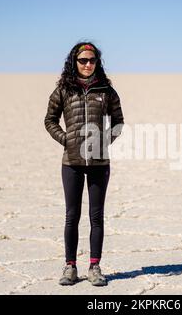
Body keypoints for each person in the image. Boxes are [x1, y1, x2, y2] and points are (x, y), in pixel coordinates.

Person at [44, 42, 124, 286]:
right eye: (83, 60)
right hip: (72, 162)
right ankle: (70, 267)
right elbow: (50, 120)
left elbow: (119, 121)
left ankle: (94, 267)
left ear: (97, 62)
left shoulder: (106, 90)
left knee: (96, 216)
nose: (88, 64)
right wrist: (65, 139)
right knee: (72, 215)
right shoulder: (63, 90)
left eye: (92, 60)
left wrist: (104, 141)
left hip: (99, 163)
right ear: (74, 62)